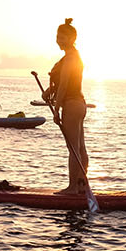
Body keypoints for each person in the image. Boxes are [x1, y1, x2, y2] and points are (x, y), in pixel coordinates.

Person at [44, 18, 89, 195]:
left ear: (72, 39)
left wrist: (56, 109)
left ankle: (72, 188)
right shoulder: (72, 57)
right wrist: (49, 91)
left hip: (71, 104)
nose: (59, 40)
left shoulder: (70, 58)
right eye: (57, 36)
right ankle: (81, 185)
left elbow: (64, 85)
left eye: (63, 37)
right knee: (79, 147)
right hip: (79, 103)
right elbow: (63, 83)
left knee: (73, 148)